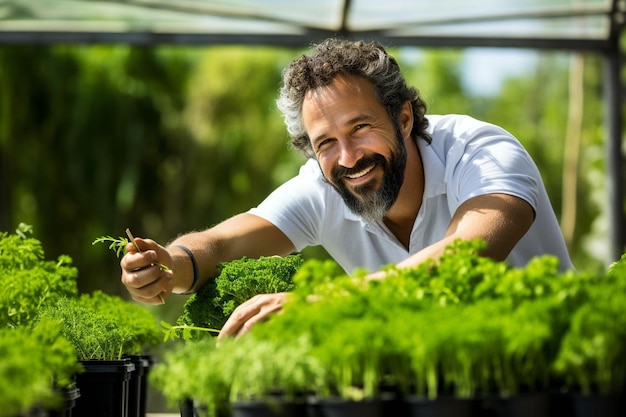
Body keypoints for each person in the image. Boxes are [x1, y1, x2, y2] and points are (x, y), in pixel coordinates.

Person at [120, 38, 573, 338]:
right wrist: (170, 266)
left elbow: (464, 257)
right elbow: (221, 244)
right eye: (326, 143)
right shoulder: (323, 186)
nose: (349, 157)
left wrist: (323, 303)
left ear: (404, 118)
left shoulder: (482, 152)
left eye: (360, 128)